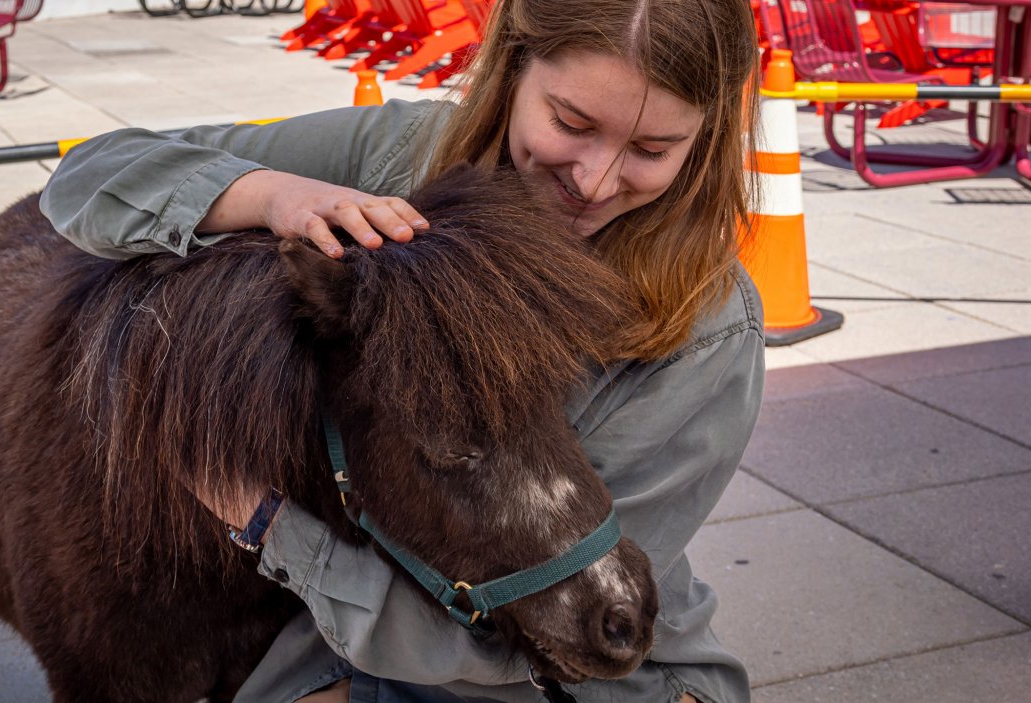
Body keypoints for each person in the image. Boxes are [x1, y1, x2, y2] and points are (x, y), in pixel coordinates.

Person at [39, 0, 765, 700]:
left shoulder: (711, 327)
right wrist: (269, 195)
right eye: (571, 122)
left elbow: (556, 599)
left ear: (704, 137)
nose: (595, 180)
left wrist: (269, 525)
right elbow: (91, 174)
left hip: (588, 650)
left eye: (651, 149)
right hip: (353, 616)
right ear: (512, 62)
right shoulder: (403, 155)